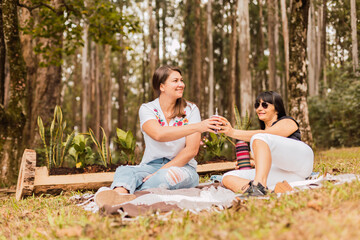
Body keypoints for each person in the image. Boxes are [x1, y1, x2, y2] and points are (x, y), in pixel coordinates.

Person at [95, 65, 217, 207]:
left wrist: (159, 172)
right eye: (175, 81)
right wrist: (198, 126)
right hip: (150, 166)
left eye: (181, 80)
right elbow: (159, 134)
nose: (181, 84)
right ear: (162, 86)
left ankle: (130, 195)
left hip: (183, 168)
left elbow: (191, 150)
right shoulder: (147, 109)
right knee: (125, 170)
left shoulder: (190, 110)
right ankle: (119, 195)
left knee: (168, 176)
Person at [214, 91, 314, 197]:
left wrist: (232, 132)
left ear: (277, 109)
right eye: (257, 105)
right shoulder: (260, 140)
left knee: (258, 138)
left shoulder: (288, 122)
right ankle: (263, 192)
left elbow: (267, 134)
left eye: (265, 105)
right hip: (287, 175)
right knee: (227, 177)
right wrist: (253, 163)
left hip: (301, 162)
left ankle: (259, 186)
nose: (259, 109)